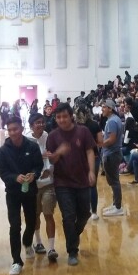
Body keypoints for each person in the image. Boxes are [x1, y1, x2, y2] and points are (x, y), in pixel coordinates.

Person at [46, 102, 97, 265]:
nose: (61, 120)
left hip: (82, 180)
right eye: (58, 117)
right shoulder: (53, 136)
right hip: (62, 182)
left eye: (64, 116)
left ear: (71, 117)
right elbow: (52, 160)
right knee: (68, 216)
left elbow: (90, 151)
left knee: (85, 214)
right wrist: (58, 153)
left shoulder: (83, 131)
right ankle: (72, 251)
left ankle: (73, 236)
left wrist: (91, 171)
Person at [0, 117, 44, 275]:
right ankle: (16, 260)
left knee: (31, 222)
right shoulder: (3, 151)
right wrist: (14, 178)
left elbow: (39, 165)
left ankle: (28, 242)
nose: (12, 132)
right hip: (13, 193)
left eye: (15, 129)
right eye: (9, 130)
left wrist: (34, 175)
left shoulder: (32, 145)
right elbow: (2, 171)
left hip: (30, 192)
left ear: (21, 128)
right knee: (14, 226)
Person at [26, 113, 58, 260]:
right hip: (33, 184)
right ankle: (38, 242)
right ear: (31, 125)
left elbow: (54, 157)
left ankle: (51, 248)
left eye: (42, 122)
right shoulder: (26, 139)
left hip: (49, 183)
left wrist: (50, 168)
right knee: (35, 215)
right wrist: (41, 156)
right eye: (37, 122)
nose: (41, 125)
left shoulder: (49, 137)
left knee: (48, 214)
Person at [100, 99, 125, 217]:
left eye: (104, 107)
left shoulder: (112, 122)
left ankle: (118, 207)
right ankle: (115, 204)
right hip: (114, 153)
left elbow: (112, 139)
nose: (102, 109)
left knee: (114, 181)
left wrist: (100, 144)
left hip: (111, 154)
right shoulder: (115, 119)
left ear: (110, 108)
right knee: (114, 181)